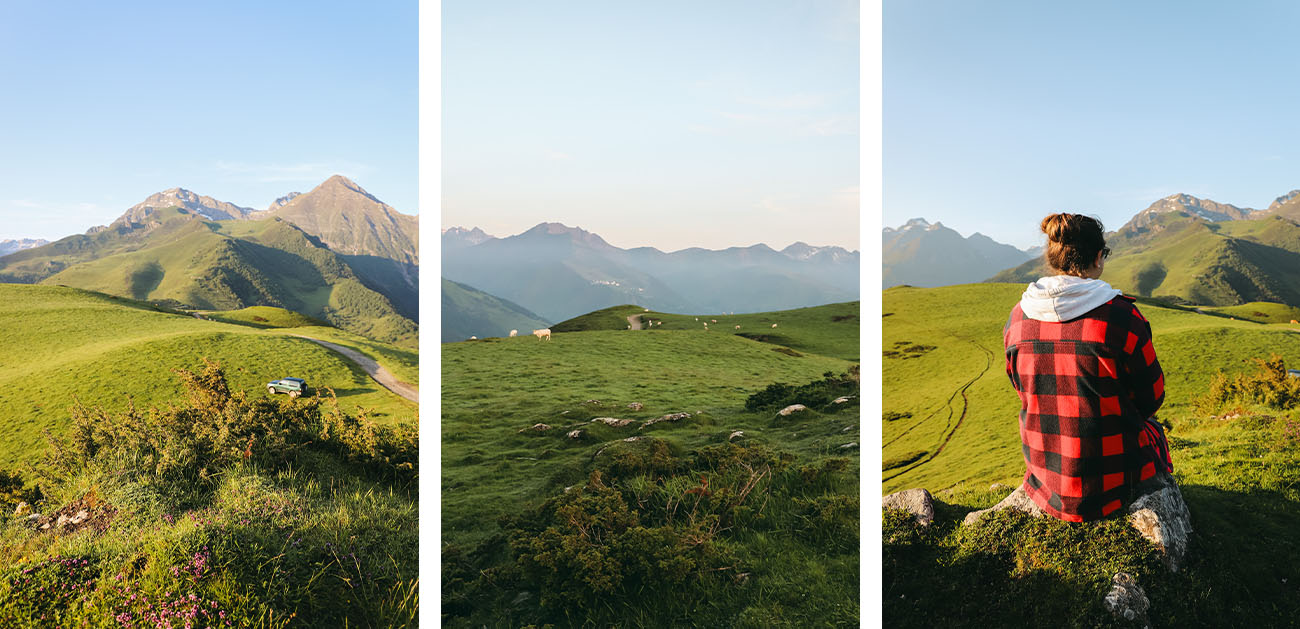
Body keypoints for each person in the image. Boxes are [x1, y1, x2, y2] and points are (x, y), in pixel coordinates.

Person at [1003, 213, 1173, 522]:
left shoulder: (1018, 319)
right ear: (1098, 257)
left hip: (1046, 477)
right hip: (1113, 480)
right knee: (1154, 431)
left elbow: (1021, 389)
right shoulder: (1122, 317)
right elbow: (1152, 398)